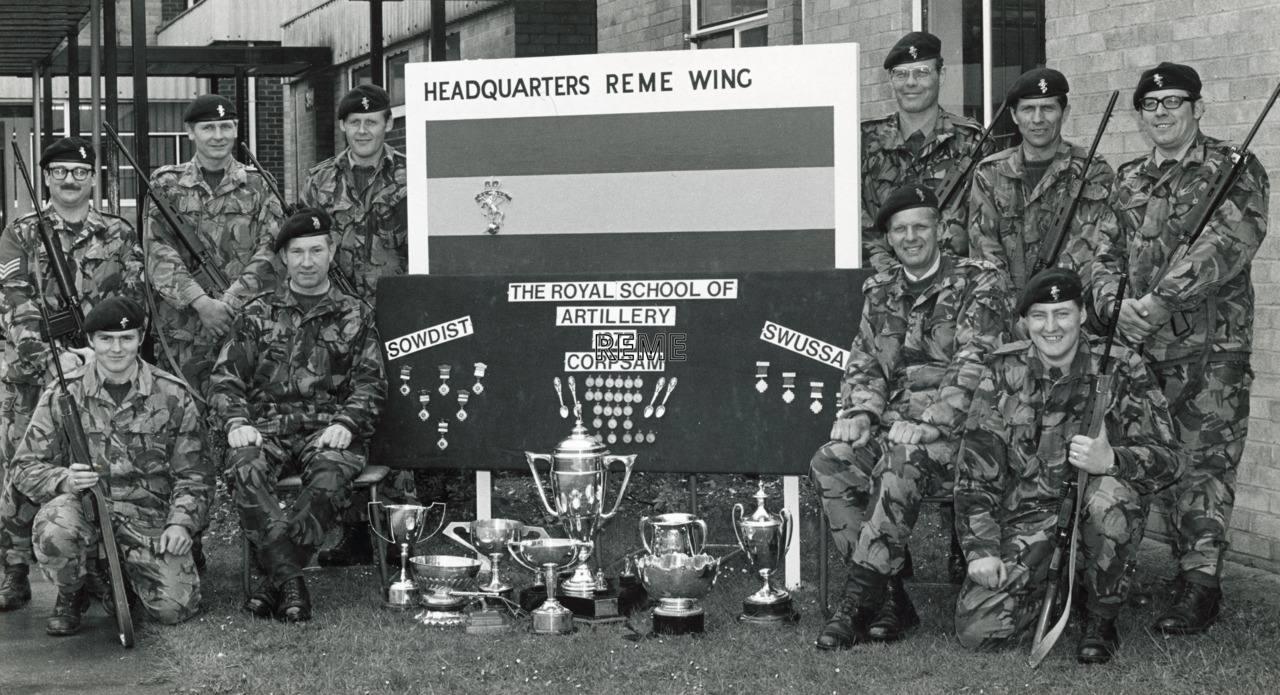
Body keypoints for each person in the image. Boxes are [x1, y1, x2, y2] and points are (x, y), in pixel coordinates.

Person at [1091, 62, 1269, 634]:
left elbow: (1233, 239)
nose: (1162, 112)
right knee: (1141, 458)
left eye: (1174, 101)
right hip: (1137, 352)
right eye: (1152, 104)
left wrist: (1162, 300)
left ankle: (1199, 586)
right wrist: (1115, 308)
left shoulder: (1232, 168)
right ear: (1140, 115)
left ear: (1197, 107)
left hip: (1209, 351)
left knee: (1204, 467)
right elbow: (1102, 254)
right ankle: (1116, 572)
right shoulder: (1128, 180)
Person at [810, 185, 1010, 650]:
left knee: (905, 459)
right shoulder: (882, 290)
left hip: (962, 434)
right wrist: (860, 413)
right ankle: (893, 598)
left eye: (921, 226)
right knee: (831, 460)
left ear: (942, 230)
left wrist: (934, 421)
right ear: (889, 239)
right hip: (893, 426)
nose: (911, 236)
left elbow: (977, 359)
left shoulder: (981, 281)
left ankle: (858, 603)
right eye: (900, 229)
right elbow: (866, 361)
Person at [954, 268, 1179, 664]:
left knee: (1111, 499)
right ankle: (1055, 589)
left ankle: (1100, 617)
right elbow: (975, 474)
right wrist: (980, 551)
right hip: (1030, 521)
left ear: (1080, 315)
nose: (1051, 326)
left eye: (1062, 313)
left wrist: (1113, 460)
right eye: (1039, 315)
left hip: (1094, 508)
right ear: (1025, 322)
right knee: (977, 629)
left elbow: (1170, 459)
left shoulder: (1122, 368)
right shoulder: (1003, 372)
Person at [209, 209, 386, 622]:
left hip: (328, 429)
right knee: (245, 467)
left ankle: (275, 580)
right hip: (265, 427)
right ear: (284, 258)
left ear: (331, 252)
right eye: (297, 252)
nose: (307, 261)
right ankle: (291, 583)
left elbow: (372, 384)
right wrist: (237, 422)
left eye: (316, 250)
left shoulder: (355, 314)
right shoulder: (256, 314)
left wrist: (347, 424)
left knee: (332, 473)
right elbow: (224, 380)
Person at [0, 137, 146, 612]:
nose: (69, 179)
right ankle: (14, 569)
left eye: (79, 172)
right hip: (34, 376)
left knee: (100, 464)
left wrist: (102, 355)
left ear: (93, 178)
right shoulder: (21, 235)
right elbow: (13, 305)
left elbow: (133, 303)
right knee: (24, 470)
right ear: (45, 177)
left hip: (103, 371)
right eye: (59, 171)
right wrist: (52, 358)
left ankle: (94, 570)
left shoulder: (118, 234)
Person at [9, 297, 210, 634]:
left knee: (175, 608)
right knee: (54, 526)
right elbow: (24, 467)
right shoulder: (63, 393)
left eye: (126, 338)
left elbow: (196, 474)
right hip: (85, 509)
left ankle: (123, 576)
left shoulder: (172, 394)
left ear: (140, 338)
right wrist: (64, 481)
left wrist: (181, 524)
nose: (116, 349)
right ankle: (72, 592)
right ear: (91, 341)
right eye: (106, 339)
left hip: (149, 516)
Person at [300, 84, 415, 565]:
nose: (364, 128)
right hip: (341, 318)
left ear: (388, 123)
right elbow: (306, 243)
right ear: (343, 127)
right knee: (346, 407)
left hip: (401, 311)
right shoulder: (320, 180)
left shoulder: (414, 170)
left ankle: (406, 525)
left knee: (403, 410)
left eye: (373, 120)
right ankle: (355, 531)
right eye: (354, 121)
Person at [145, 93, 283, 393]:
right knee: (183, 423)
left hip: (244, 326)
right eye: (208, 128)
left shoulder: (260, 184)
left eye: (226, 127)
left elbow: (271, 250)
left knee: (242, 415)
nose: (218, 136)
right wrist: (201, 303)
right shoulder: (166, 184)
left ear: (235, 130)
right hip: (183, 332)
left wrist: (229, 303)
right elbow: (158, 252)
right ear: (191, 132)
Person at [968, 68, 1121, 297]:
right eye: (1028, 109)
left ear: (1065, 113)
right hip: (1007, 313)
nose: (1037, 119)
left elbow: (1093, 248)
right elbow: (985, 253)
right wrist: (1013, 310)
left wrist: (1051, 307)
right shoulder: (990, 173)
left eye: (1048, 108)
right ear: (1013, 115)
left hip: (1070, 310)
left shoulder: (1093, 171)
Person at [861, 31, 994, 272]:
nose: (911, 82)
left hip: (955, 286)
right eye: (901, 74)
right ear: (891, 80)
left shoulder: (973, 143)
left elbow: (984, 228)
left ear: (940, 75)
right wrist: (894, 274)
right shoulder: (865, 142)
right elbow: (855, 222)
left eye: (921, 72)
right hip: (881, 285)